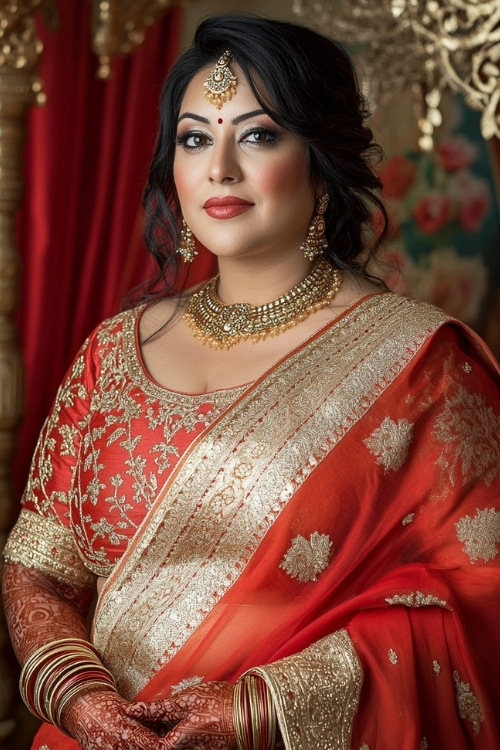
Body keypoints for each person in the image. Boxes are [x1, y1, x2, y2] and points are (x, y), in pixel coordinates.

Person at [2, 12, 500, 750]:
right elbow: (36, 571)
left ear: (320, 157)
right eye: (195, 137)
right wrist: (79, 701)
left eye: (259, 135)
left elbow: (480, 600)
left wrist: (263, 709)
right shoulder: (111, 352)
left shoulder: (420, 366)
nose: (220, 168)